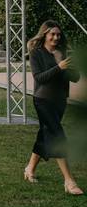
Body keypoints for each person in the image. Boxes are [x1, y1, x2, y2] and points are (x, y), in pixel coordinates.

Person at [24, 21, 82, 195]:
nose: (56, 37)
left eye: (58, 34)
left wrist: (65, 67)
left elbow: (76, 77)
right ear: (45, 35)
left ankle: (29, 169)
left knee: (45, 134)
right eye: (52, 34)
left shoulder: (63, 53)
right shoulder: (36, 53)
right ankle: (69, 181)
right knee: (57, 136)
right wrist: (59, 67)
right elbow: (40, 78)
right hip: (43, 100)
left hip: (59, 101)